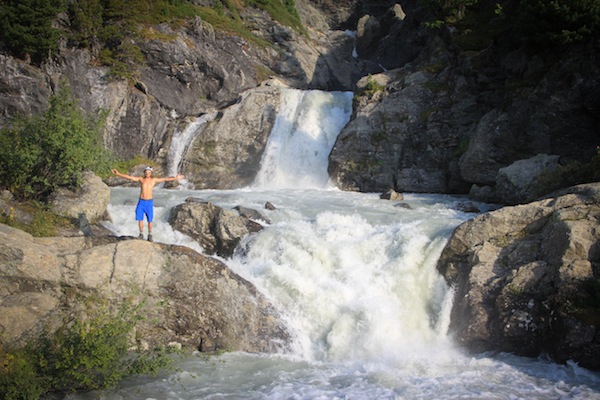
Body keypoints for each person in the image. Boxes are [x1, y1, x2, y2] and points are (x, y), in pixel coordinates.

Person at [111, 166, 185, 242]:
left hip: (149, 202)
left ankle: (150, 234)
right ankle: (141, 234)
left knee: (150, 220)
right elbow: (130, 178)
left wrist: (176, 178)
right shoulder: (141, 179)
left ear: (151, 173)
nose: (147, 173)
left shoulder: (154, 180)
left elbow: (165, 179)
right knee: (140, 219)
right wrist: (118, 174)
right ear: (144, 173)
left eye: (149, 172)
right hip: (141, 202)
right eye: (146, 172)